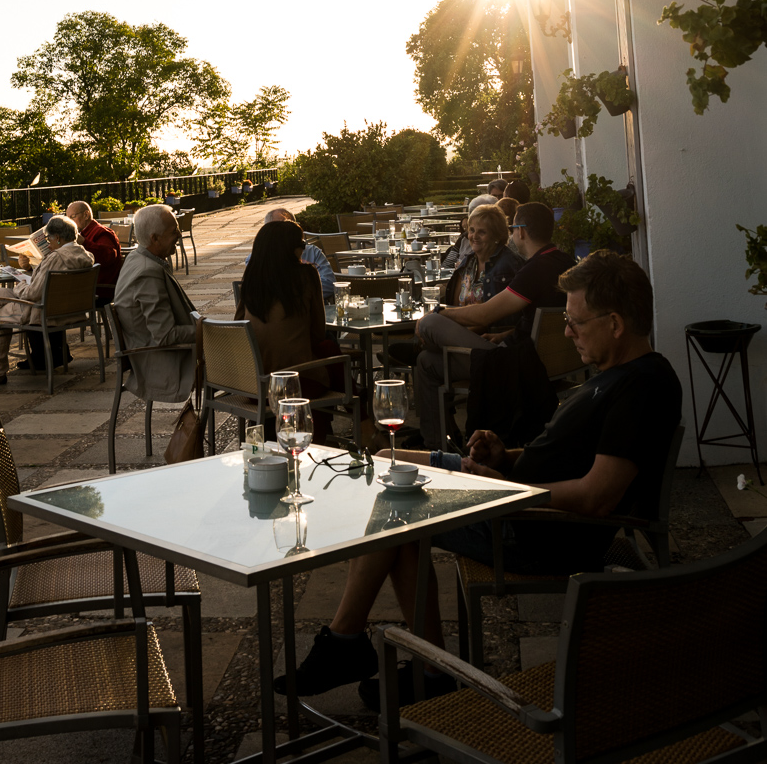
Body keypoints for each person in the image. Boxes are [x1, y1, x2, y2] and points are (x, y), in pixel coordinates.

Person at [276, 251, 682, 707]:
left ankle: (348, 643)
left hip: (534, 527)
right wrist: (505, 457)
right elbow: (575, 458)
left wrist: (505, 491)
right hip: (514, 490)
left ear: (615, 323)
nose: (566, 333)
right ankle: (414, 667)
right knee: (386, 461)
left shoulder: (641, 388)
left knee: (392, 504)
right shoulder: (618, 376)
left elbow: (595, 496)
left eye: (576, 323)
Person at [413, 200, 576, 448]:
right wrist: (502, 336)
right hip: (543, 358)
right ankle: (440, 447)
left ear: (520, 231)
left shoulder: (534, 269)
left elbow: (484, 316)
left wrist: (439, 312)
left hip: (515, 365)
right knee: (426, 362)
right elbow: (534, 322)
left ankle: (417, 343)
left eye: (512, 229)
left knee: (430, 324)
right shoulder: (564, 262)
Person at [235, 219, 359, 443]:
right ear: (290, 249)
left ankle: (324, 432)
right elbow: (317, 333)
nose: (304, 249)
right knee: (329, 350)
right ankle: (351, 422)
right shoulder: (306, 276)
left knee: (328, 351)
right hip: (293, 385)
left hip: (253, 387)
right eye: (302, 244)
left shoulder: (251, 279)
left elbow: (239, 329)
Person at [0, 215, 94, 383]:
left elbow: (32, 294)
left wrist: (20, 284)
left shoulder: (56, 258)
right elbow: (47, 284)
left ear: (57, 238)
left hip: (40, 312)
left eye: (49, 238)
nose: (48, 243)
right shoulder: (84, 256)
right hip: (68, 309)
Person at [391, 204, 519, 370]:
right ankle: (422, 350)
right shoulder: (468, 261)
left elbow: (491, 317)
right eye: (471, 230)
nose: (474, 236)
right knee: (425, 360)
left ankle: (421, 346)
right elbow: (456, 305)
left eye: (482, 232)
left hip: (487, 340)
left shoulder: (508, 266)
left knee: (430, 322)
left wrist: (445, 324)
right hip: (462, 332)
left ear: (497, 236)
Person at [112, 205, 198, 402]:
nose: (179, 235)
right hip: (165, 363)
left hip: (159, 353)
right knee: (240, 368)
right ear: (154, 239)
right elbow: (165, 335)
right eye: (173, 231)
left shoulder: (136, 256)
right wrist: (204, 329)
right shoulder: (147, 272)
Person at [261, 205, 336, 301]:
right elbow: (260, 290)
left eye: (291, 226)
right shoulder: (259, 258)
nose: (287, 231)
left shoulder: (311, 252)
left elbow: (329, 285)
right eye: (281, 227)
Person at [66, 199, 123, 305]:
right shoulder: (84, 233)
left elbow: (108, 256)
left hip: (99, 290)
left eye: (72, 217)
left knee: (53, 295)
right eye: (67, 218)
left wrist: (83, 242)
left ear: (86, 215)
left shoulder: (102, 232)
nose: (69, 221)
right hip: (86, 286)